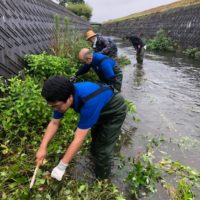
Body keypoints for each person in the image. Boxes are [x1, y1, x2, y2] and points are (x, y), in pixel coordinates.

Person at [36, 76, 127, 180]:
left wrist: (61, 166)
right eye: (52, 106)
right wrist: (43, 147)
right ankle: (94, 157)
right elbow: (54, 123)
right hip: (99, 106)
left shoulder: (88, 102)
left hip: (114, 110)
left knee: (104, 150)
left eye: (57, 106)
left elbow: (79, 138)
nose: (56, 109)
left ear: (70, 98)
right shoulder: (62, 96)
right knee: (96, 138)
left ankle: (103, 179)